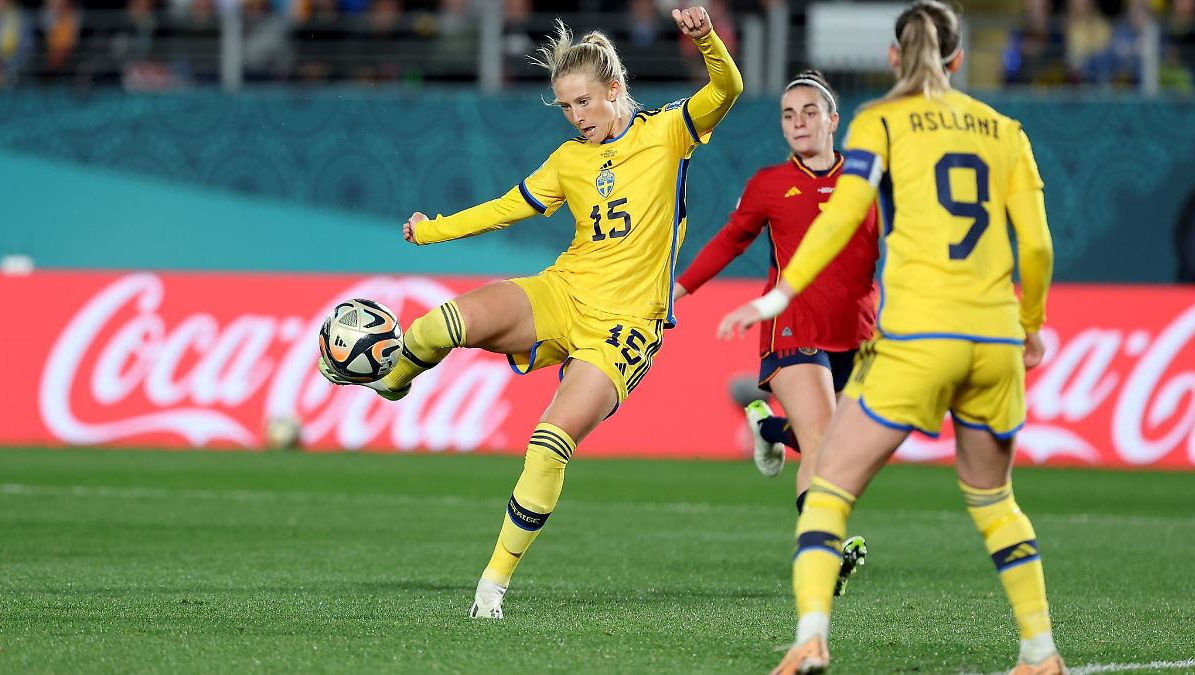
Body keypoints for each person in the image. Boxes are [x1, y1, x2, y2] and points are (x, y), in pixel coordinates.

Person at [319, 7, 743, 619]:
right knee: (440, 324)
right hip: (562, 292)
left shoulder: (670, 131)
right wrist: (433, 231)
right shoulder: (569, 161)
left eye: (584, 103)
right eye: (566, 106)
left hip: (624, 329)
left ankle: (492, 585)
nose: (576, 117)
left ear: (615, 91)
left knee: (547, 443)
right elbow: (505, 208)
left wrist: (705, 38)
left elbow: (727, 88)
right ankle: (392, 378)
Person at [717, 1, 1064, 672]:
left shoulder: (880, 120)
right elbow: (1040, 247)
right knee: (995, 499)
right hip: (994, 338)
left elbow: (843, 213)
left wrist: (781, 293)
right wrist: (1031, 326)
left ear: (892, 60)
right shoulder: (1005, 128)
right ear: (959, 60)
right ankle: (1040, 650)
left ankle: (811, 636)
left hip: (920, 337)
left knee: (831, 487)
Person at [674, 69, 878, 596]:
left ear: (835, 119)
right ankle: (823, 554)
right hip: (793, 329)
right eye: (789, 115)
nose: (799, 122)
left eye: (810, 112)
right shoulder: (769, 184)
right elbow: (729, 241)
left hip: (857, 332)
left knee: (847, 444)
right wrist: (682, 288)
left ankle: (767, 430)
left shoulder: (868, 177)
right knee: (824, 443)